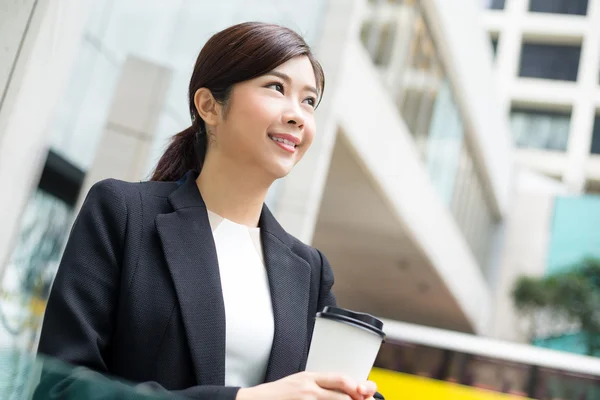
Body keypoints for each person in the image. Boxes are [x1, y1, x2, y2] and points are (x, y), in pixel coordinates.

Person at [35, 22, 383, 400]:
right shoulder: (122, 214)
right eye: (276, 87)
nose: (298, 115)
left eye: (309, 101)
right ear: (209, 106)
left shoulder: (308, 269)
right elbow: (62, 387)